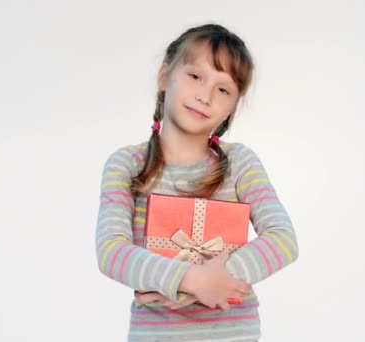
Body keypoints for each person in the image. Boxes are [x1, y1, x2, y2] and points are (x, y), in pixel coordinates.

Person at [95, 23, 299, 342]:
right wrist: (192, 279)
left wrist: (214, 281)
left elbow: (283, 240)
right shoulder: (126, 164)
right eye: (195, 77)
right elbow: (112, 252)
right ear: (165, 77)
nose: (205, 96)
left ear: (233, 106)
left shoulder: (240, 163)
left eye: (223, 89)